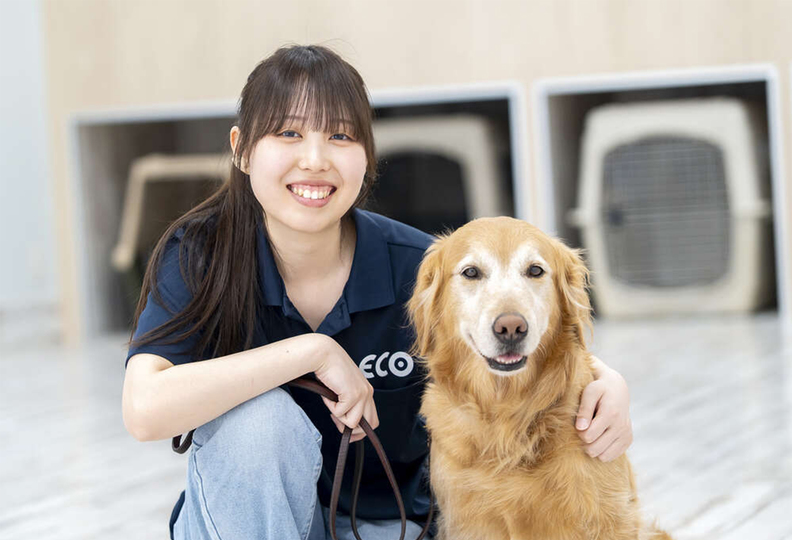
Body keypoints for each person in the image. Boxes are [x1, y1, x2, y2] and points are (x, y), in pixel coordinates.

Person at [122, 44, 633, 540]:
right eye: (289, 133)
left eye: (341, 136)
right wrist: (312, 352)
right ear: (241, 149)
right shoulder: (200, 255)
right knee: (260, 424)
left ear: (367, 154)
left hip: (391, 525)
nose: (315, 160)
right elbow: (144, 410)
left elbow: (513, 347)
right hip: (251, 522)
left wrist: (605, 381)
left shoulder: (422, 269)